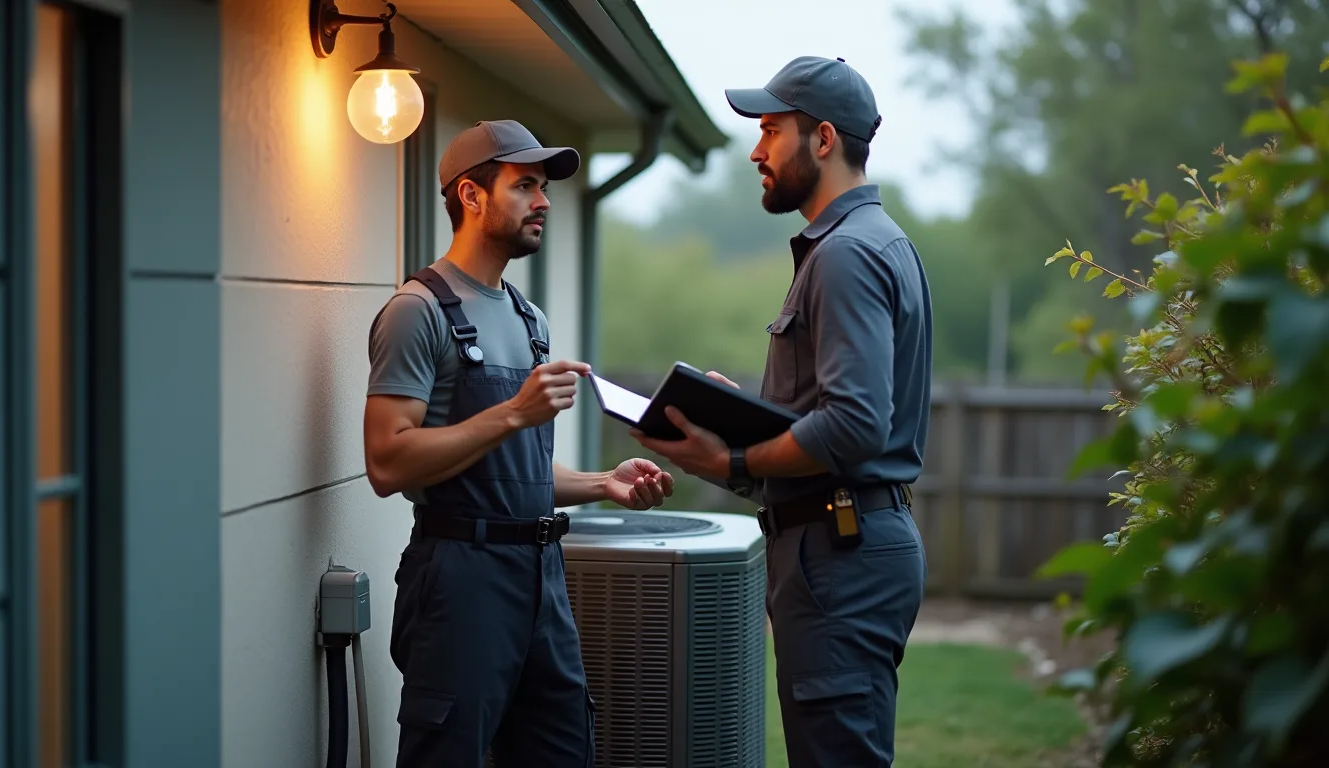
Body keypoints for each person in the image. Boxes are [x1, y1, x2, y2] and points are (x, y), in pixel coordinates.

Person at [631, 57, 932, 768]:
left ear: (823, 139)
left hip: (840, 550)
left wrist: (730, 460)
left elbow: (855, 425)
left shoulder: (845, 255)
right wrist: (743, 415)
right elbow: (837, 409)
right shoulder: (878, 241)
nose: (756, 151)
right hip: (847, 542)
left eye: (771, 130)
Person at [363, 119, 675, 768]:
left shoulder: (530, 320)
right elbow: (386, 462)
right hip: (459, 579)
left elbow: (512, 467)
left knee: (565, 751)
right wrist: (512, 413)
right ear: (472, 197)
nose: (544, 202)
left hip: (542, 577)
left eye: (544, 187)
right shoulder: (417, 311)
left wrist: (601, 484)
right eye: (525, 185)